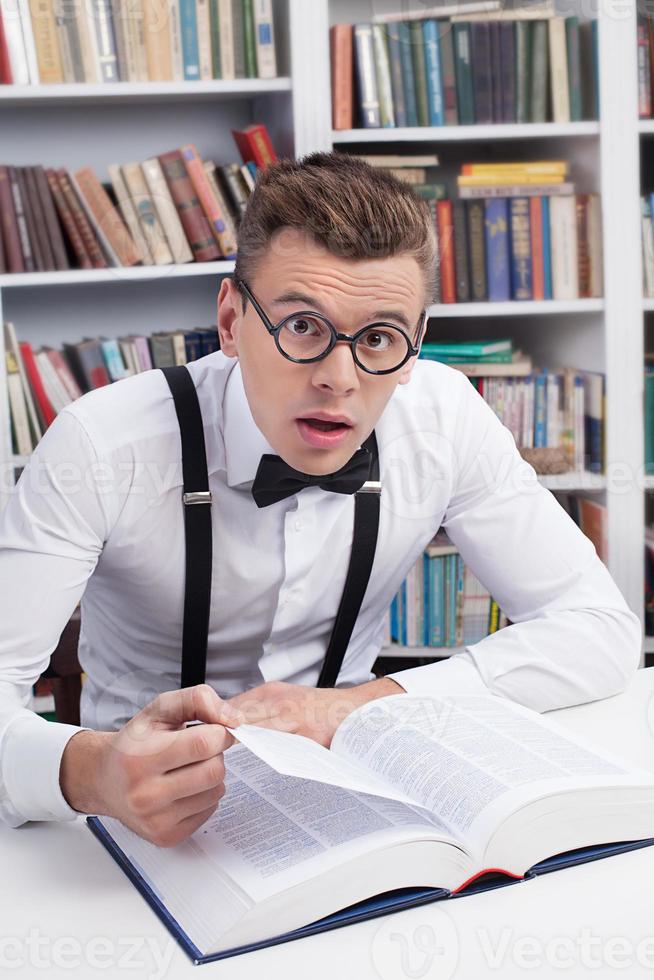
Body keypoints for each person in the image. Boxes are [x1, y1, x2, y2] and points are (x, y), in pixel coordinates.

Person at [0, 152, 640, 849]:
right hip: (134, 823)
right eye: (303, 326)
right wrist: (92, 773)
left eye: (378, 339)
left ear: (418, 343)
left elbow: (599, 629)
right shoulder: (101, 444)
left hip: (355, 796)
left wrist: (355, 708)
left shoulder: (444, 417)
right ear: (229, 318)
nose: (339, 379)